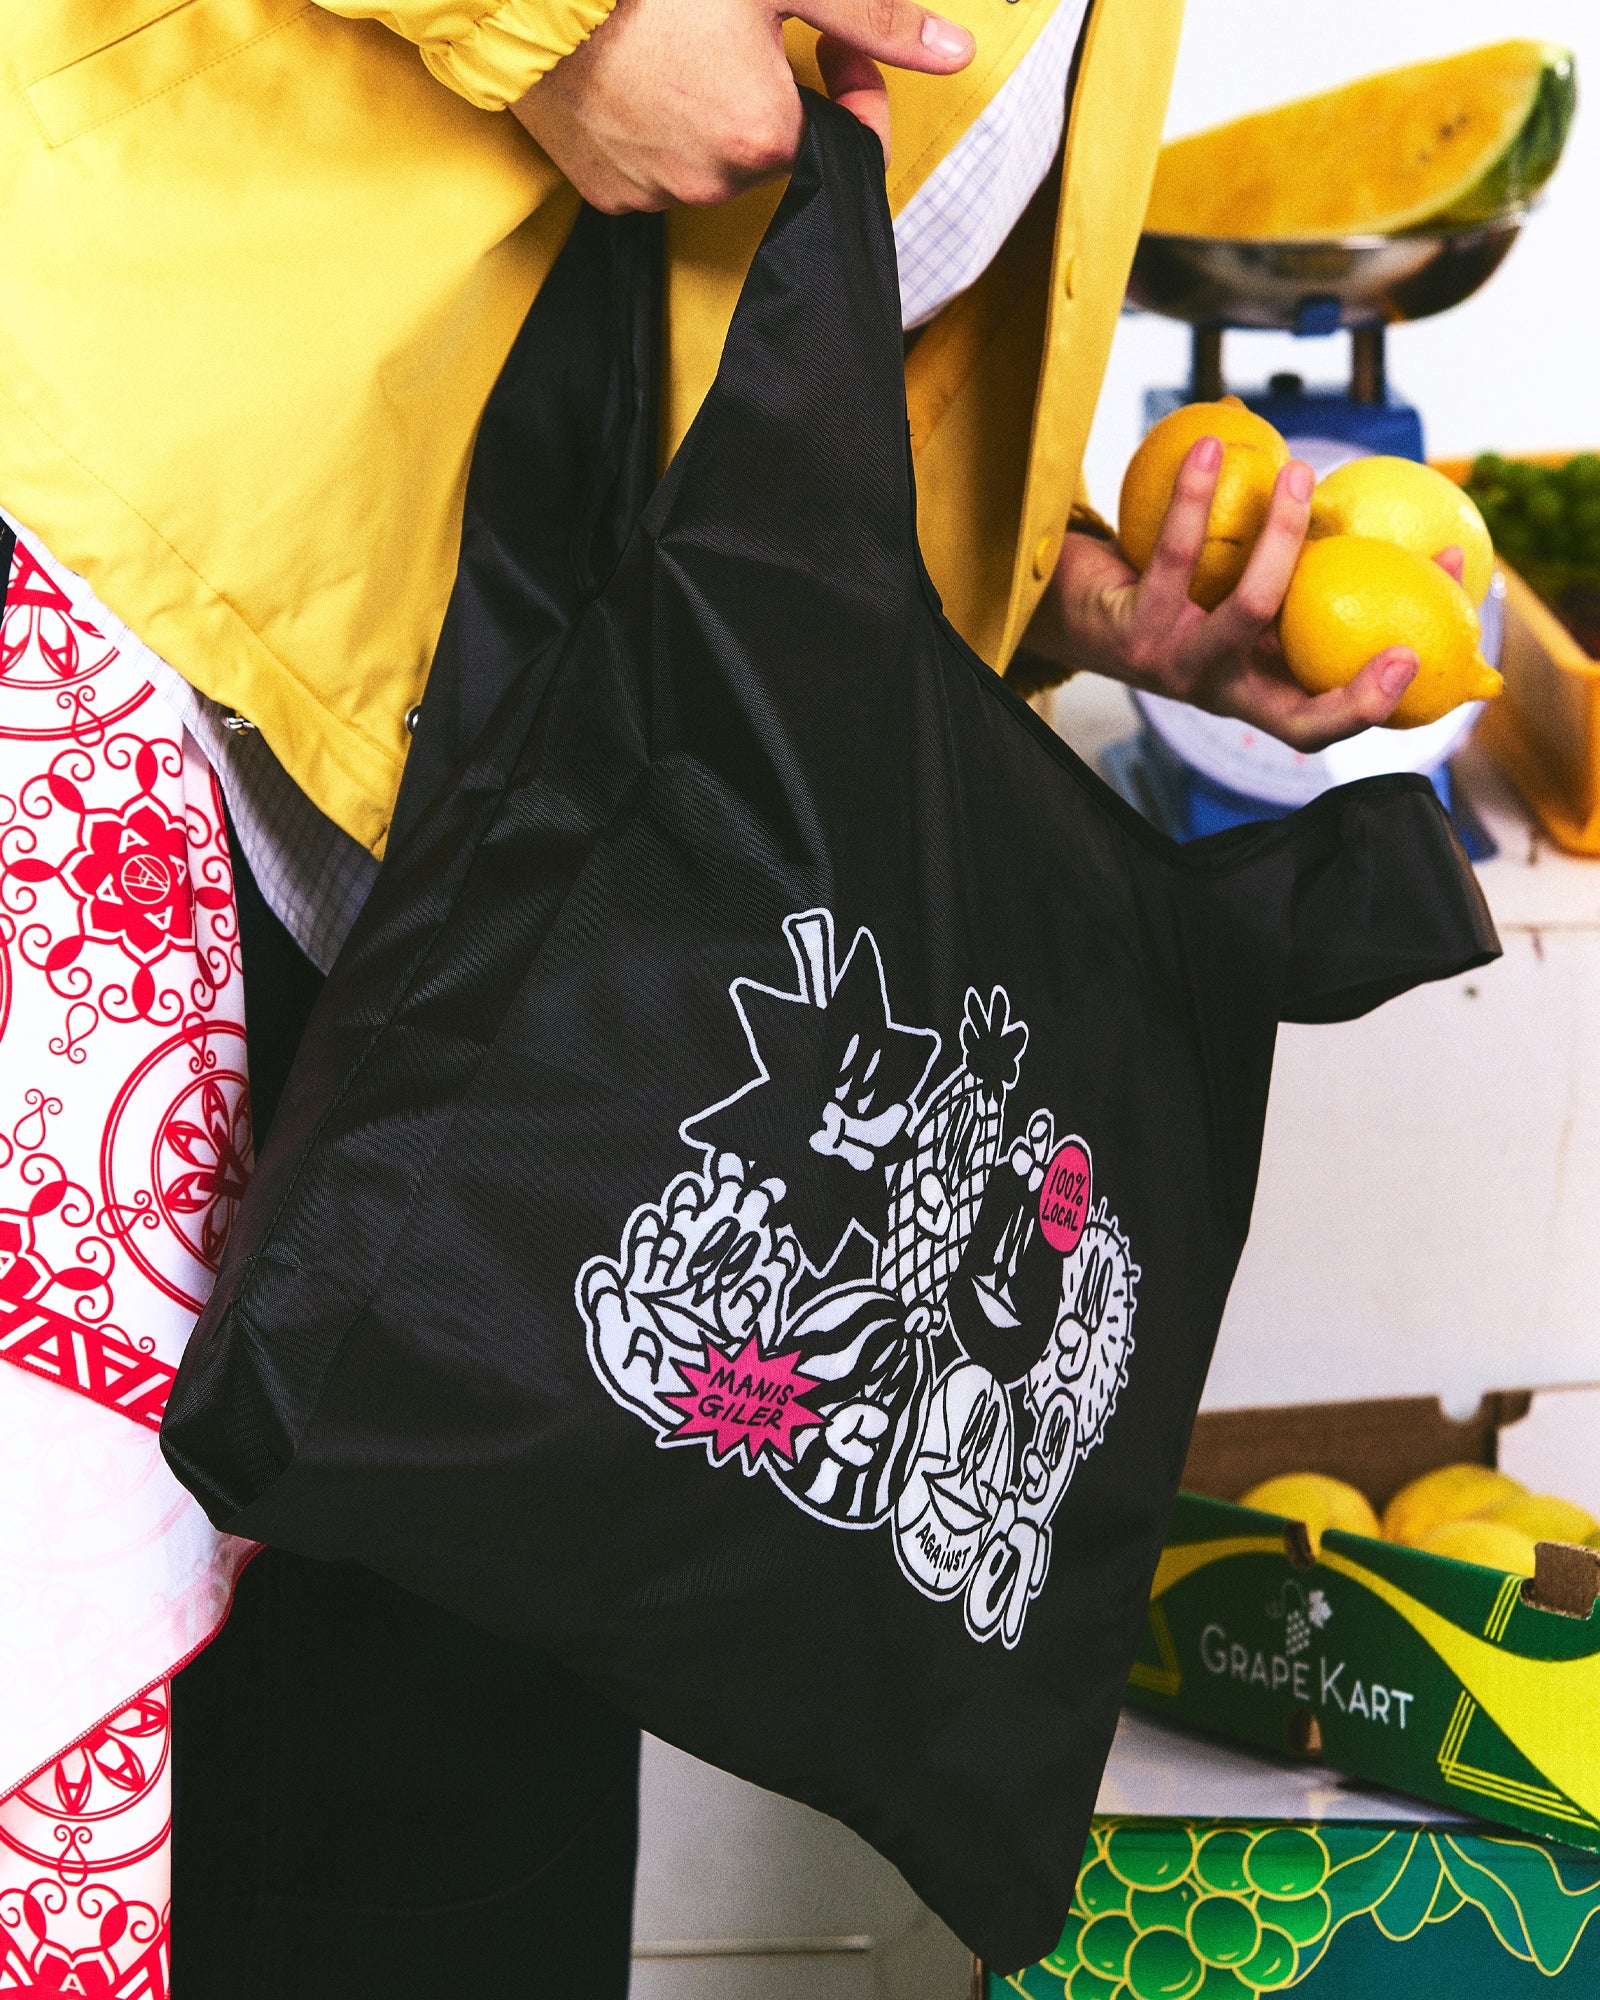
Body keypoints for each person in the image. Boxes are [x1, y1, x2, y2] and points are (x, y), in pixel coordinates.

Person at [0, 0, 1436, 1991]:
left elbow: (841, 265)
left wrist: (1045, 579)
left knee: (443, 1794)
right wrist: (563, 25)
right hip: (157, 629)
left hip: (541, 828)